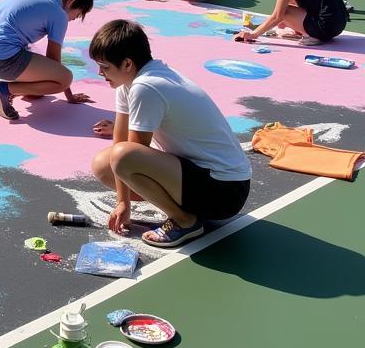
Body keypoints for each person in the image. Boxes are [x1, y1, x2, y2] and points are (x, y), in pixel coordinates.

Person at [89, 19, 251, 247]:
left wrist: (126, 200)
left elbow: (132, 153)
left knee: (122, 157)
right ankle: (181, 208)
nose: (99, 72)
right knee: (103, 165)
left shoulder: (146, 86)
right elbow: (120, 140)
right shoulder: (129, 80)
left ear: (127, 64)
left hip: (225, 191)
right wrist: (122, 202)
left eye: (104, 67)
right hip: (201, 175)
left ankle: (185, 221)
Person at [0, 0, 94, 122]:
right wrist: (69, 95)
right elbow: (54, 61)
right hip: (0, 59)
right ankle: (4, 89)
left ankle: (12, 89)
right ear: (71, 3)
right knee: (63, 79)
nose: (72, 19)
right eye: (77, 15)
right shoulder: (59, 14)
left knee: (39, 90)